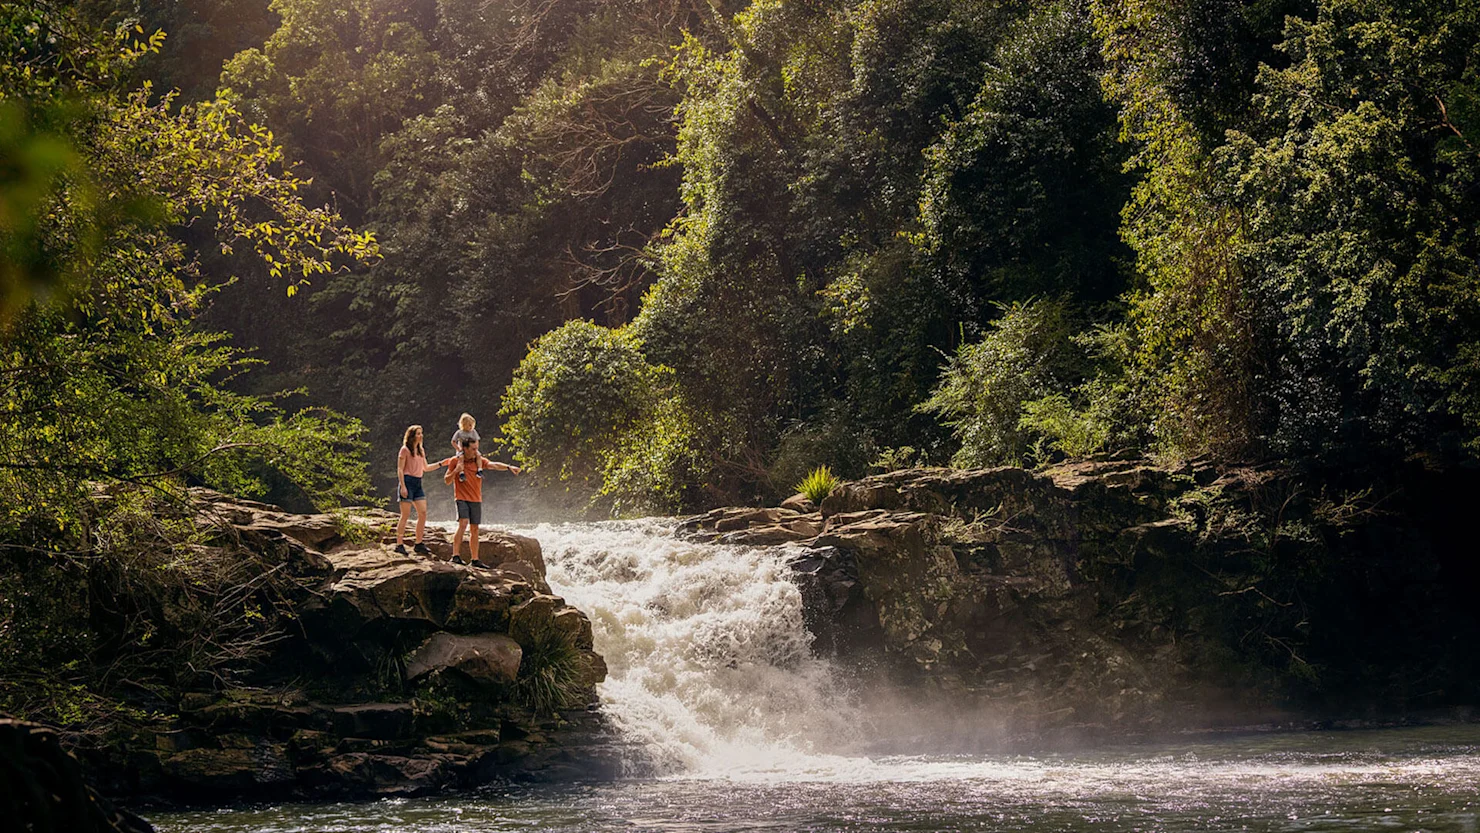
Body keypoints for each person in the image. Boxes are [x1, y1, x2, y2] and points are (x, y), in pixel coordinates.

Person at [439, 437, 519, 567]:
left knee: (475, 529)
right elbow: (447, 480)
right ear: (464, 449)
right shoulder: (455, 461)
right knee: (463, 523)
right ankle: (455, 556)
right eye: (473, 449)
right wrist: (456, 471)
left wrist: (509, 467)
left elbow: (493, 465)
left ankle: (475, 560)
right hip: (461, 498)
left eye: (477, 448)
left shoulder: (478, 461)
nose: (476, 451)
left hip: (476, 499)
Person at [394, 425, 443, 555]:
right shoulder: (404, 450)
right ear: (412, 436)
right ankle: (399, 544)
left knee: (423, 512)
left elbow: (425, 468)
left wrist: (442, 463)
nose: (421, 436)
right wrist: (403, 486)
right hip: (407, 481)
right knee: (405, 515)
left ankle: (419, 543)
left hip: (418, 483)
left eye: (421, 433)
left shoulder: (420, 450)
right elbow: (399, 469)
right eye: (418, 434)